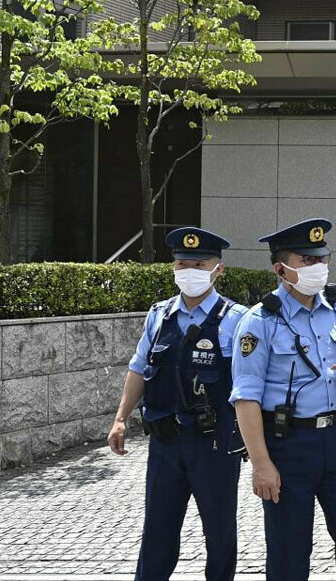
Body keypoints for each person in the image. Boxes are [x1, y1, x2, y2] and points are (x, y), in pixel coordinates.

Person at [230, 218, 336, 581]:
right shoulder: (260, 322)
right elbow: (246, 399)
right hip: (288, 448)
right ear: (280, 268)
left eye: (321, 259)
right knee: (289, 552)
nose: (318, 268)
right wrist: (261, 464)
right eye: (306, 260)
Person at [107, 227, 247, 581]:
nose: (190, 271)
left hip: (214, 442)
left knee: (219, 531)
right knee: (157, 529)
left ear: (219, 269)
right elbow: (139, 368)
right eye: (183, 264)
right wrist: (120, 418)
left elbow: (249, 384)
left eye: (199, 264)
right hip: (166, 440)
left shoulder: (236, 320)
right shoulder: (159, 315)